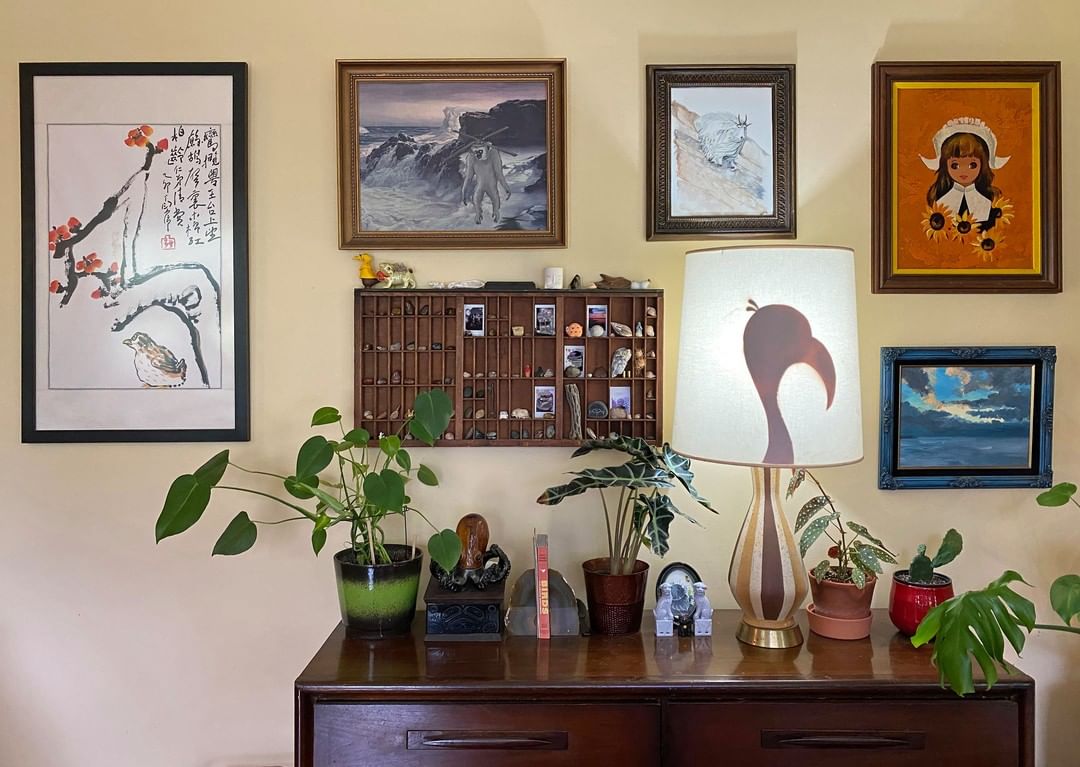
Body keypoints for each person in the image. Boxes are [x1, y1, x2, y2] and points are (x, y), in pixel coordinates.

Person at [921, 117, 1009, 228]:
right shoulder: (941, 201)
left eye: (972, 165)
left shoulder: (989, 199)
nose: (963, 171)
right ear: (945, 166)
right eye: (955, 166)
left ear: (983, 165)